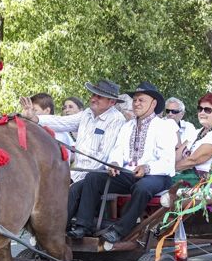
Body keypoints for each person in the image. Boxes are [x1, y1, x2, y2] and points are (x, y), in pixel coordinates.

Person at [69, 82, 178, 243]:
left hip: (157, 176)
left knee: (142, 187)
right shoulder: (128, 126)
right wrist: (113, 163)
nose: (136, 103)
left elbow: (168, 161)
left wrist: (147, 167)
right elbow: (118, 151)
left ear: (153, 104)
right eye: (135, 100)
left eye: (141, 100)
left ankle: (120, 230)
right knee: (93, 178)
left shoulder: (164, 126)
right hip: (129, 173)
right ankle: (83, 226)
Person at [20, 79, 127, 223]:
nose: (93, 98)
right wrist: (34, 118)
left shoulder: (116, 119)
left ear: (112, 102)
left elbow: (103, 156)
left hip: (96, 175)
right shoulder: (87, 113)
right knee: (47, 188)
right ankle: (41, 229)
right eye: (93, 94)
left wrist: (74, 180)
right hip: (76, 172)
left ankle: (55, 231)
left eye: (99, 96)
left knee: (70, 193)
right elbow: (61, 122)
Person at [175, 93, 212, 177]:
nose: (202, 113)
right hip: (188, 176)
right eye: (200, 109)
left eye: (207, 110)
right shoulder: (198, 132)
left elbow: (193, 160)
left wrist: (168, 170)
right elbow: (178, 154)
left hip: (207, 183)